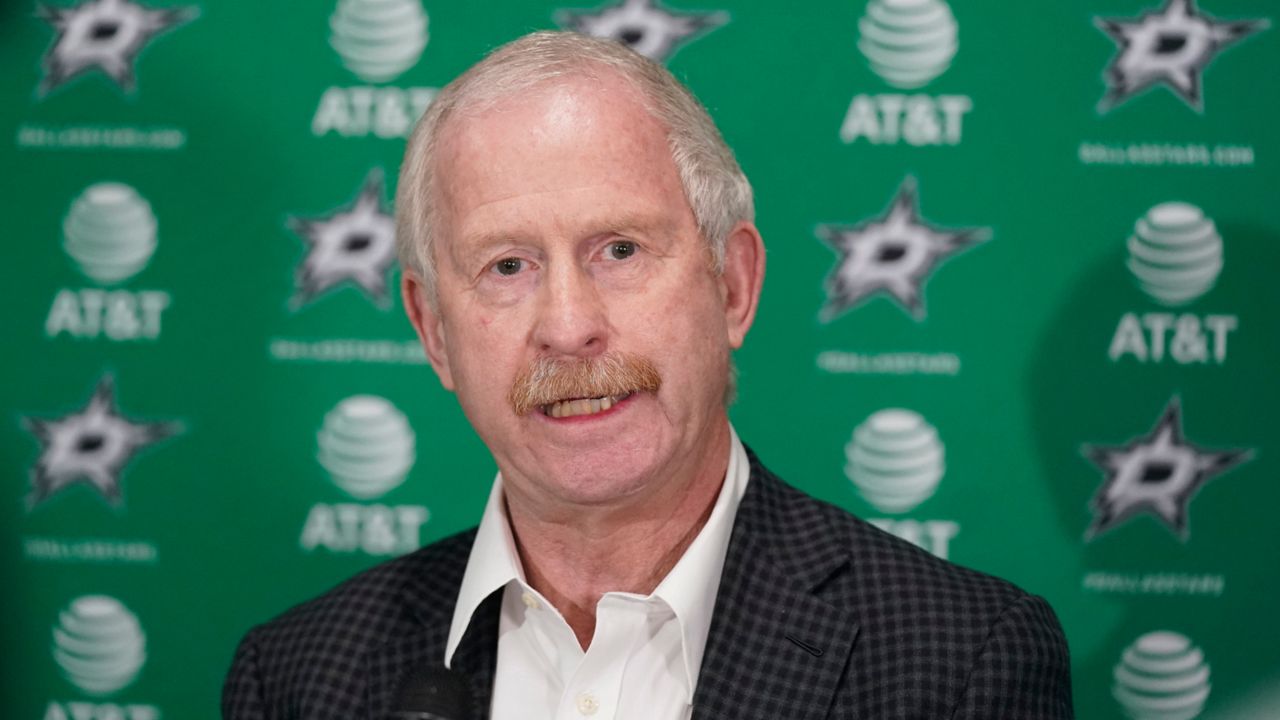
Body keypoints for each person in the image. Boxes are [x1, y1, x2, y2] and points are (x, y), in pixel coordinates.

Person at [223, 31, 1072, 719]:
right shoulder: (299, 677)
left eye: (620, 250)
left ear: (732, 286)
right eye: (508, 266)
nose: (568, 326)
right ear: (433, 331)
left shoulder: (958, 664)